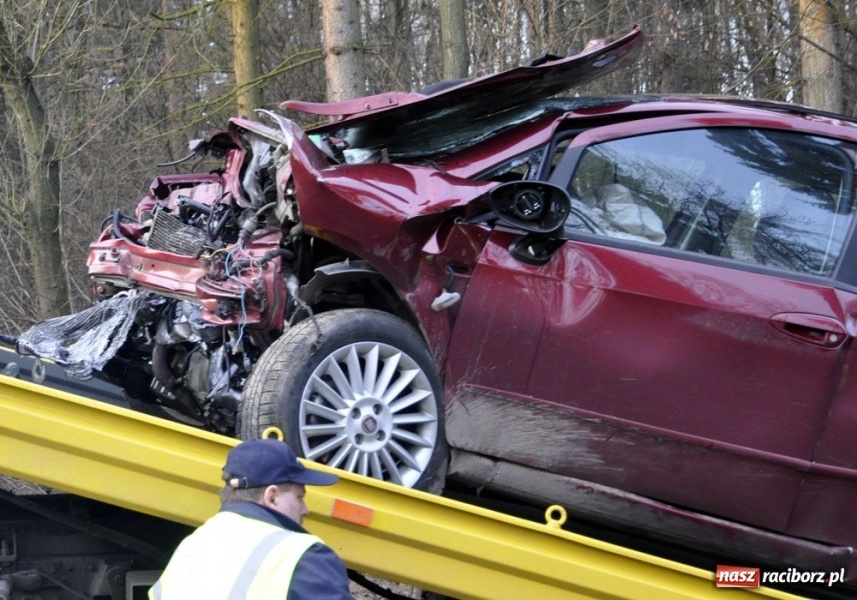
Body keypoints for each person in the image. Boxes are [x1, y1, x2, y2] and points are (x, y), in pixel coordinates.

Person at [149, 438, 354, 599]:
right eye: (300, 497)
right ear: (271, 497)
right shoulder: (302, 556)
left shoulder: (192, 544)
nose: (305, 509)